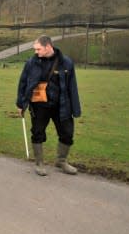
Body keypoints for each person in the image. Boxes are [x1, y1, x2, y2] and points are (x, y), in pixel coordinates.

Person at [16, 35, 81, 176]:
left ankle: (61, 161)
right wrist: (20, 104)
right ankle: (39, 163)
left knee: (67, 133)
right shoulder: (31, 63)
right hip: (39, 106)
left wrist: (75, 110)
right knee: (37, 133)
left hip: (61, 105)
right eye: (35, 49)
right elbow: (22, 83)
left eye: (38, 49)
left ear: (48, 47)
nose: (36, 52)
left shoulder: (66, 63)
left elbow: (72, 87)